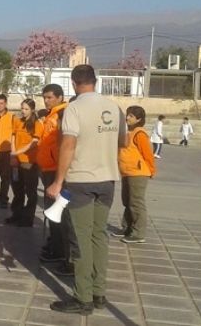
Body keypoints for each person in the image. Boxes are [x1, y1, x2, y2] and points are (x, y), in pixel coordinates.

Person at [46, 64, 127, 315]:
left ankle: (83, 298)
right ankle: (98, 292)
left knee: (80, 240)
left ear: (73, 83)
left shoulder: (75, 108)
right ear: (96, 81)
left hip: (81, 181)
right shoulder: (114, 108)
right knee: (98, 236)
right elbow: (122, 141)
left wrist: (58, 181)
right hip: (107, 181)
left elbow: (68, 145)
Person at [36, 84, 73, 274]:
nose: (46, 100)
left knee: (58, 214)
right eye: (45, 97)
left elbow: (63, 145)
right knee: (53, 212)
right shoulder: (51, 114)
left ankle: (61, 251)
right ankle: (56, 245)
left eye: (50, 97)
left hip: (56, 170)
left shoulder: (62, 114)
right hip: (47, 168)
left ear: (60, 97)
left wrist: (59, 174)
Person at [114, 106, 155, 244]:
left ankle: (138, 233)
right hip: (127, 172)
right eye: (127, 115)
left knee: (136, 202)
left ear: (139, 119)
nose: (127, 118)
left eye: (131, 116)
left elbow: (148, 155)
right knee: (127, 201)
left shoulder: (139, 134)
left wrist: (151, 170)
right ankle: (127, 228)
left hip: (138, 173)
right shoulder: (128, 132)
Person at [6, 99, 43, 228]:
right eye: (22, 108)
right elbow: (13, 137)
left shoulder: (37, 124)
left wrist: (18, 152)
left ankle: (28, 218)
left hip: (29, 162)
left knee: (30, 191)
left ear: (32, 110)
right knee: (17, 189)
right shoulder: (18, 121)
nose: (23, 111)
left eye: (26, 109)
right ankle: (17, 214)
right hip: (17, 160)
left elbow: (33, 143)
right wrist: (13, 154)